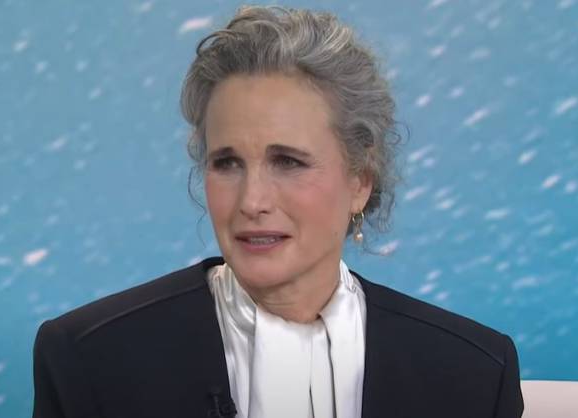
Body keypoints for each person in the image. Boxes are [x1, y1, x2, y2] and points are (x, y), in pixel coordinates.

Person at [32, 5, 524, 418]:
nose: (252, 202)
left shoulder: (474, 374)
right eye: (227, 163)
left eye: (288, 162)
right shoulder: (90, 360)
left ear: (360, 181)